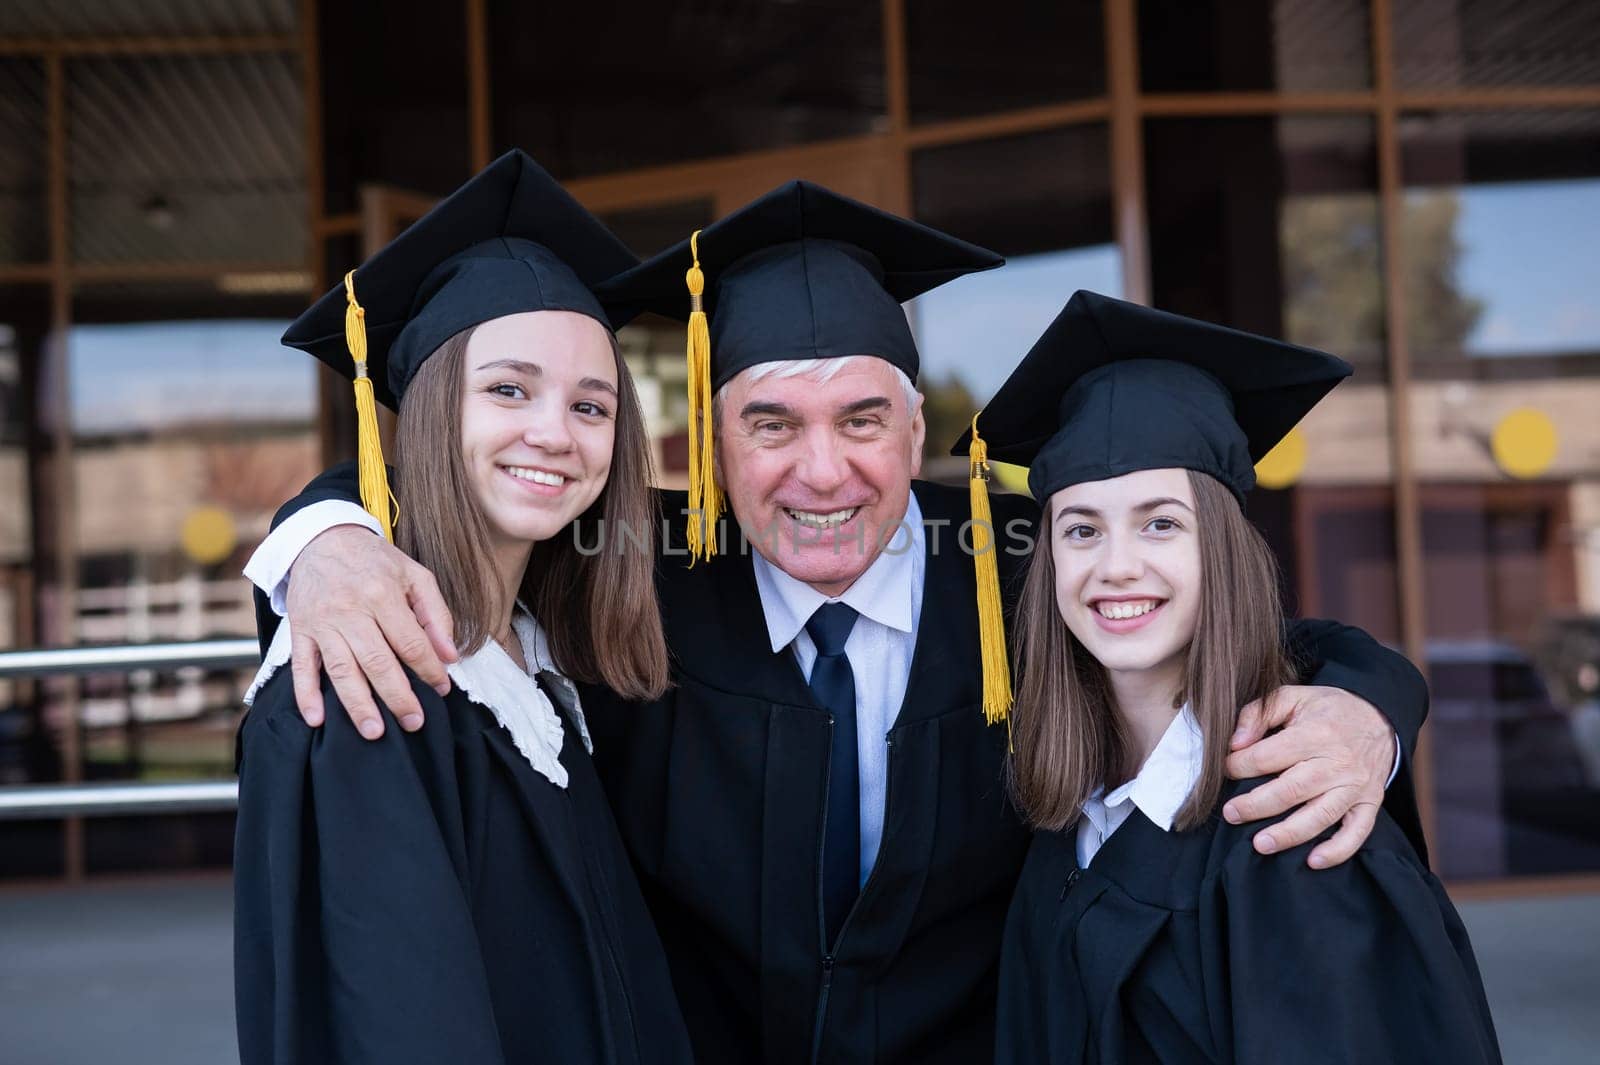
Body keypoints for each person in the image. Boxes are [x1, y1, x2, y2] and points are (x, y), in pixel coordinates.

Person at [246, 182, 1428, 1065]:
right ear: (705, 449)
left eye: (864, 419)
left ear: (922, 436)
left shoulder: (1031, 574)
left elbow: (1242, 631)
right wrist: (323, 543)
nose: (823, 473)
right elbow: (463, 506)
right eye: (769, 425)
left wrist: (1370, 704)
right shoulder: (636, 576)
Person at [232, 150, 694, 1065]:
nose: (555, 433)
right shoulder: (367, 683)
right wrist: (320, 538)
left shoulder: (540, 660)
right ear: (436, 408)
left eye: (592, 405)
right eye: (509, 389)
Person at [985, 291, 1500, 1064]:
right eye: (1081, 528)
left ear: (1221, 552)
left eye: (1161, 522)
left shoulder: (1295, 829)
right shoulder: (1072, 814)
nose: (1115, 565)